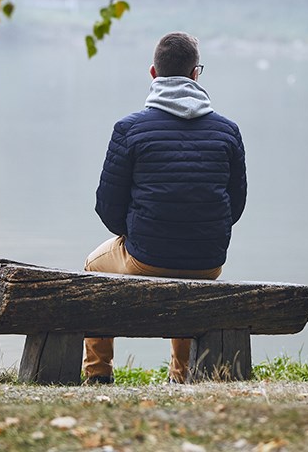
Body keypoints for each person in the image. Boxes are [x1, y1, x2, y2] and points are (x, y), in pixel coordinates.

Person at [83, 31, 247, 384]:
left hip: (145, 257)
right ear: (195, 74)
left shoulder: (129, 129)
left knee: (92, 266)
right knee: (184, 266)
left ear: (153, 74)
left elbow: (107, 207)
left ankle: (98, 373)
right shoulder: (227, 131)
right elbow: (236, 206)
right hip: (208, 262)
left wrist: (139, 229)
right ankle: (182, 375)